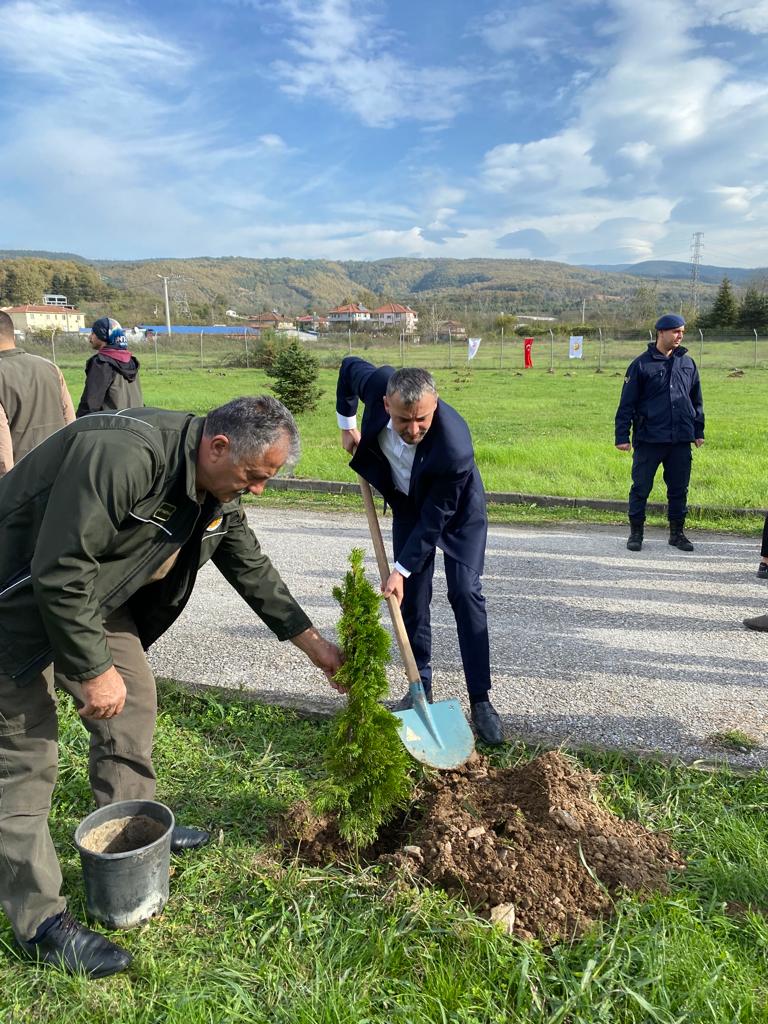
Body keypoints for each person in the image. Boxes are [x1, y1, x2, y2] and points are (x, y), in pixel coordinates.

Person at [0, 396, 343, 978]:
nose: (258, 490)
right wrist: (89, 667)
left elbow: (248, 563)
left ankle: (127, 827)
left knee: (132, 703)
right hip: (15, 600)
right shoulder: (123, 453)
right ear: (218, 447)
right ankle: (40, 924)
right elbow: (59, 568)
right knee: (25, 757)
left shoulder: (213, 489)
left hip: (86, 599)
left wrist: (316, 648)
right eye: (255, 478)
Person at [336, 358, 503, 747]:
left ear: (436, 404)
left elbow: (436, 519)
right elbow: (347, 370)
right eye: (403, 421)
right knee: (412, 600)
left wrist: (401, 567)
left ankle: (481, 701)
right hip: (409, 506)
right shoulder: (378, 382)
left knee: (465, 592)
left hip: (456, 513)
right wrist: (347, 425)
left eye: (422, 420)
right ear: (385, 406)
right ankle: (420, 685)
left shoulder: (454, 446)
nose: (413, 430)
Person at [615, 313, 705, 552]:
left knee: (679, 489)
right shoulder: (641, 364)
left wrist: (698, 430)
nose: (680, 336)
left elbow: (696, 399)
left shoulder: (687, 363)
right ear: (661, 332)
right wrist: (622, 436)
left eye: (682, 332)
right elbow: (626, 403)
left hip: (680, 439)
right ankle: (636, 533)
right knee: (641, 487)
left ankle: (677, 534)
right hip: (650, 438)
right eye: (676, 331)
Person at [0, 310, 74, 477]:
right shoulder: (50, 367)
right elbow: (70, 420)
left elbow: (2, 448)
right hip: (58, 470)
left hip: (20, 480)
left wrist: (5, 486)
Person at [76, 316, 143, 417]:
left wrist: (77, 427)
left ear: (103, 336)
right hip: (136, 424)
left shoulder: (102, 363)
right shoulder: (131, 361)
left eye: (93, 333)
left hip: (112, 427)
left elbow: (90, 404)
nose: (90, 338)